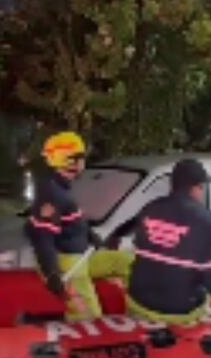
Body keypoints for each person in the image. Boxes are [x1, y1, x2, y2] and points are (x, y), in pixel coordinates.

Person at [25, 131, 131, 321]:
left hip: (82, 256)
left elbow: (71, 221)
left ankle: (141, 313)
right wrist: (52, 274)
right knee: (90, 318)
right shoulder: (53, 195)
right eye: (81, 158)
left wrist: (91, 236)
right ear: (70, 162)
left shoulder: (61, 189)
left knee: (127, 262)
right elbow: (42, 238)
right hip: (68, 265)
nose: (84, 163)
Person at [122, 158, 211, 325]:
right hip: (179, 310)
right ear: (198, 187)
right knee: (208, 295)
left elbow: (141, 251)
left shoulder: (149, 209)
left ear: (172, 185)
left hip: (138, 301)